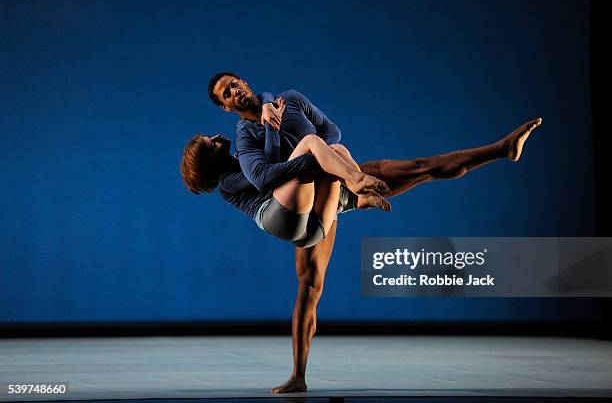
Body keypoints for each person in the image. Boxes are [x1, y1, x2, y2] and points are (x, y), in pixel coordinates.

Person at [180, 116, 542, 392]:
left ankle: (500, 150)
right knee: (310, 286)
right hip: (296, 204)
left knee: (421, 168)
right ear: (208, 158)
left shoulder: (250, 140)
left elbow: (311, 143)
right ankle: (298, 374)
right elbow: (284, 169)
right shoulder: (233, 178)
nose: (215, 137)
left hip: (323, 199)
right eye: (207, 142)